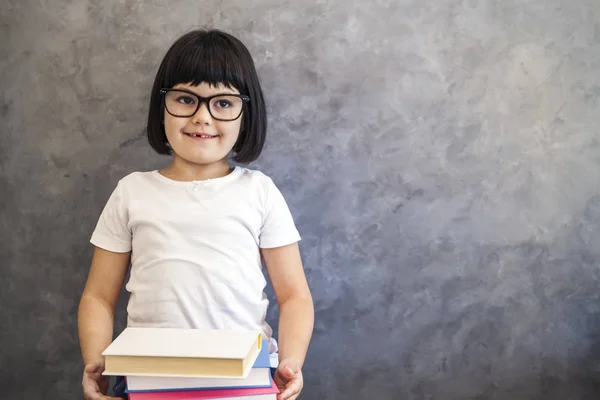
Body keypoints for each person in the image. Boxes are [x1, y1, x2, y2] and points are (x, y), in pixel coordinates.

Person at [77, 29, 314, 400]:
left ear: (245, 113)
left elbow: (295, 295)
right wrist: (97, 360)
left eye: (222, 103)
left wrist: (292, 362)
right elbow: (98, 296)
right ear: (163, 105)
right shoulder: (131, 192)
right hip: (146, 376)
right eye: (186, 99)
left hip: (244, 378)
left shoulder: (260, 192)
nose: (202, 117)